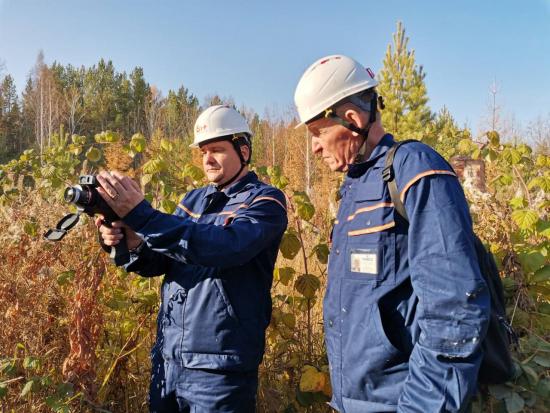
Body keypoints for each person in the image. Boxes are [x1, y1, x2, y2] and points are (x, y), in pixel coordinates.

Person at [293, 55, 490, 412]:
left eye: (317, 133)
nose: (315, 147)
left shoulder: (414, 168)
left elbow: (455, 311)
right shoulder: (354, 187)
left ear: (351, 120)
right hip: (352, 401)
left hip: (402, 400)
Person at [95, 105, 288, 413]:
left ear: (244, 150)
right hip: (169, 360)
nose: (207, 159)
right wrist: (130, 242)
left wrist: (144, 216)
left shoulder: (265, 200)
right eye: (202, 152)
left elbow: (225, 247)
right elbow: (162, 262)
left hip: (219, 369)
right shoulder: (192, 200)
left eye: (217, 150)